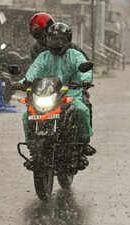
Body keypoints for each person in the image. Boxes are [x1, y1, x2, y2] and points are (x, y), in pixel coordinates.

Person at [15, 22, 96, 170]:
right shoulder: (43, 57)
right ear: (47, 40)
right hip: (47, 94)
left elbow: (83, 67)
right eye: (52, 39)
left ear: (67, 40)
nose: (56, 42)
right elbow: (33, 72)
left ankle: (84, 143)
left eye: (59, 39)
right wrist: (22, 83)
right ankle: (33, 148)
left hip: (71, 94)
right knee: (27, 115)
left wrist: (85, 80)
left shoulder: (74, 55)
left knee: (81, 110)